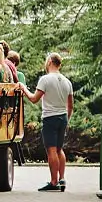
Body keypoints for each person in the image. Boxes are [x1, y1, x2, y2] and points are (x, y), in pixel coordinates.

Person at [21, 52, 73, 192]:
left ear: (50, 61)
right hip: (63, 117)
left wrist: (23, 88)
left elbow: (34, 99)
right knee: (59, 149)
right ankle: (62, 179)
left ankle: (53, 181)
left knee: (51, 151)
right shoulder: (67, 81)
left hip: (50, 118)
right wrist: (66, 120)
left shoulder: (45, 79)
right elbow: (71, 106)